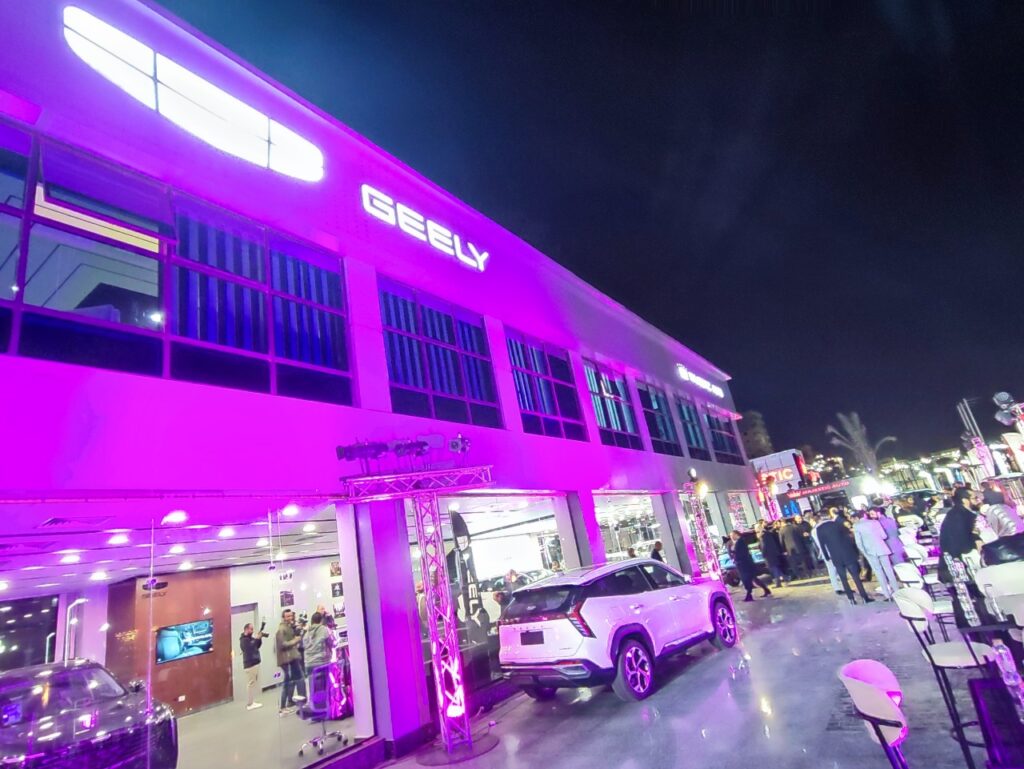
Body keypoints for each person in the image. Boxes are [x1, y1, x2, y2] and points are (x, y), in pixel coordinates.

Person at [816, 509, 873, 605]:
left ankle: (851, 599)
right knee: (856, 577)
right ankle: (864, 597)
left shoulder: (819, 529)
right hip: (847, 553)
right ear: (829, 516)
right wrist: (855, 552)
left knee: (843, 579)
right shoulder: (837, 524)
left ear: (820, 517)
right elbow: (848, 537)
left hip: (835, 556)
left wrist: (826, 557)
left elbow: (822, 545)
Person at [938, 487, 981, 583]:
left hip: (959, 564)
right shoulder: (960, 516)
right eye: (975, 498)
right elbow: (963, 543)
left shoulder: (958, 513)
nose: (978, 501)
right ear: (965, 500)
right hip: (960, 567)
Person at [852, 511, 897, 599]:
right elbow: (884, 536)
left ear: (857, 517)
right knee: (889, 570)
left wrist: (864, 552)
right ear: (865, 515)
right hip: (882, 548)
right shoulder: (875, 522)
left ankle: (887, 594)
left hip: (870, 551)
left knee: (878, 572)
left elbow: (858, 543)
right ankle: (896, 590)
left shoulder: (856, 526)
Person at [275, 609, 307, 715]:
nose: (290, 618)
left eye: (290, 616)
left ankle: (291, 704)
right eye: (287, 616)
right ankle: (282, 707)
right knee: (287, 683)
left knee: (294, 681)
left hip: (292, 658)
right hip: (286, 660)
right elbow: (282, 645)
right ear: (283, 618)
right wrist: (296, 640)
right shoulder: (281, 629)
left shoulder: (288, 627)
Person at [730, 530, 771, 601]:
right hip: (745, 564)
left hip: (744, 564)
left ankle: (749, 595)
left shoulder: (740, 542)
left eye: (732, 535)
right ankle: (765, 590)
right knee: (753, 578)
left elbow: (742, 553)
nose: (731, 537)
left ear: (736, 534)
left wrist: (734, 551)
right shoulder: (739, 541)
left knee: (747, 579)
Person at [812, 513, 844, 594]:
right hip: (832, 550)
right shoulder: (824, 527)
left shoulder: (814, 530)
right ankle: (841, 586)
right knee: (838, 568)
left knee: (831, 570)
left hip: (824, 552)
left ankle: (837, 587)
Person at [239, 621, 269, 710]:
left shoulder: (250, 638)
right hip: (250, 664)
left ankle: (251, 702)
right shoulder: (243, 640)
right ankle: (250, 703)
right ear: (246, 629)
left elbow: (257, 646)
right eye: (251, 629)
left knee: (252, 683)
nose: (252, 631)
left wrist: (259, 639)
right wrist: (256, 639)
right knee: (250, 684)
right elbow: (250, 648)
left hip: (254, 663)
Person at [755, 520, 786, 587]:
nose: (755, 530)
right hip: (772, 553)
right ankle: (783, 579)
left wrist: (763, 554)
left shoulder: (763, 535)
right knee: (775, 568)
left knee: (774, 568)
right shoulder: (766, 533)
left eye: (756, 528)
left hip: (769, 554)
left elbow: (764, 545)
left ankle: (780, 582)